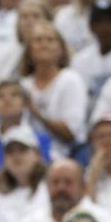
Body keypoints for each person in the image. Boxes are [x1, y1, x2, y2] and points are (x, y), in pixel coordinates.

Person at [20, 21, 89, 160]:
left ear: (61, 49)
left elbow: (71, 133)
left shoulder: (71, 80)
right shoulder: (23, 85)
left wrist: (36, 111)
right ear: (29, 50)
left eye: (50, 40)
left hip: (66, 155)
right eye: (38, 40)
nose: (44, 44)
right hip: (26, 153)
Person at [20, 159, 111, 222]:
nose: (61, 188)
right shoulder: (31, 220)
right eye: (55, 182)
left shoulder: (102, 218)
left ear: (83, 187)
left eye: (68, 182)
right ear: (47, 187)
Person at [0, 126, 50, 222]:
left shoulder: (50, 190)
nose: (16, 156)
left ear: (38, 155)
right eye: (10, 151)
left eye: (22, 149)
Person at [70, 0, 111, 98]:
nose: (104, 27)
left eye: (109, 21)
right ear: (91, 26)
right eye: (99, 22)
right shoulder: (80, 61)